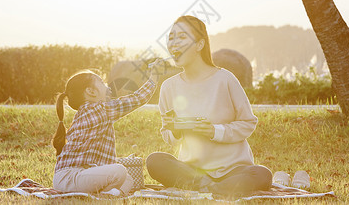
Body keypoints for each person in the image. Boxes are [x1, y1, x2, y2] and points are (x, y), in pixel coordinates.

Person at [146, 16, 272, 198]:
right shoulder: (168, 87)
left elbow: (247, 123)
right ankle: (211, 188)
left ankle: (204, 188)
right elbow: (168, 136)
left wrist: (214, 131)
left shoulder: (225, 79)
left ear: (199, 45)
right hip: (192, 170)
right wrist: (175, 131)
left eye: (181, 37)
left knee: (261, 174)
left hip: (232, 170)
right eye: (171, 37)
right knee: (155, 161)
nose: (173, 43)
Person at [52, 62, 161, 196]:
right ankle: (108, 195)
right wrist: (154, 78)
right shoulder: (98, 109)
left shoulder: (88, 111)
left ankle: (110, 195)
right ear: (91, 91)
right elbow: (137, 99)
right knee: (119, 171)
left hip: (76, 176)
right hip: (71, 177)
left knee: (128, 179)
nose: (107, 85)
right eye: (102, 82)